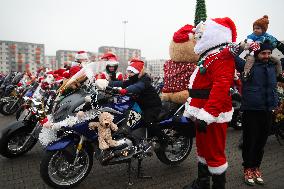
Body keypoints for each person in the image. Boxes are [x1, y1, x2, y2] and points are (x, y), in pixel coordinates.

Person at [182, 17, 238, 189]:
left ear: (215, 33)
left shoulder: (222, 57)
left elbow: (221, 88)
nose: (198, 35)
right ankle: (203, 183)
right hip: (202, 113)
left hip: (212, 115)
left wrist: (207, 115)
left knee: (214, 153)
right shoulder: (209, 56)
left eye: (203, 32)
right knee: (203, 150)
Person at [235, 40, 284, 186]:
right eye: (263, 53)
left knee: (261, 142)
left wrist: (279, 48)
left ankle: (256, 167)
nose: (267, 55)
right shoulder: (248, 66)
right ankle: (247, 168)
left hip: (268, 110)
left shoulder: (273, 66)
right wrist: (244, 47)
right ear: (257, 53)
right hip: (251, 110)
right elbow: (232, 56)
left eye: (269, 53)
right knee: (250, 141)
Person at [95, 58, 165, 145]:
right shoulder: (133, 79)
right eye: (128, 71)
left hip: (152, 106)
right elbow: (121, 83)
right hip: (139, 105)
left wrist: (124, 91)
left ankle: (163, 139)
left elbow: (137, 87)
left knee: (148, 120)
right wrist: (106, 83)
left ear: (138, 72)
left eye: (131, 72)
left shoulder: (144, 80)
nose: (129, 74)